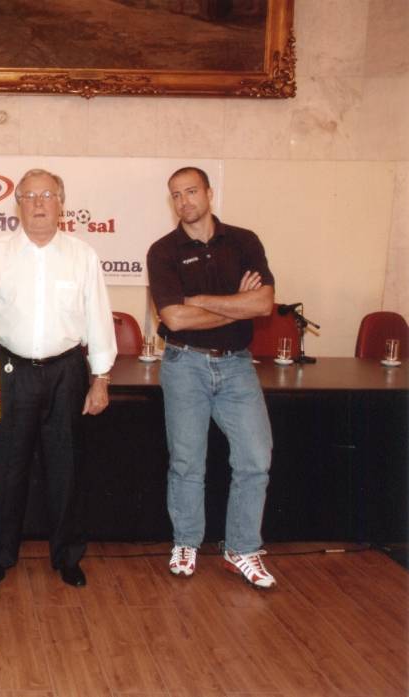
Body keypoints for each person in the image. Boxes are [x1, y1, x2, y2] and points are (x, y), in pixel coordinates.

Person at [0, 168, 117, 588]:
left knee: (66, 468)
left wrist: (101, 378)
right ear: (17, 203)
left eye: (47, 195)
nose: (38, 203)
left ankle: (67, 556)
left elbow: (98, 319)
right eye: (30, 196)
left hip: (66, 373)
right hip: (9, 371)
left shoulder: (82, 255)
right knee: (7, 469)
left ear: (61, 203)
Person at [146, 166, 277, 589]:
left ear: (209, 193)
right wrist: (235, 301)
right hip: (184, 365)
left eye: (191, 192)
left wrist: (200, 300)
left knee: (256, 459)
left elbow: (263, 305)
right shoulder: (163, 251)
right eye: (176, 195)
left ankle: (242, 549)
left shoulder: (244, 240)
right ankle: (185, 542)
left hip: (237, 365)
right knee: (187, 463)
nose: (184, 202)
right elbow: (173, 318)